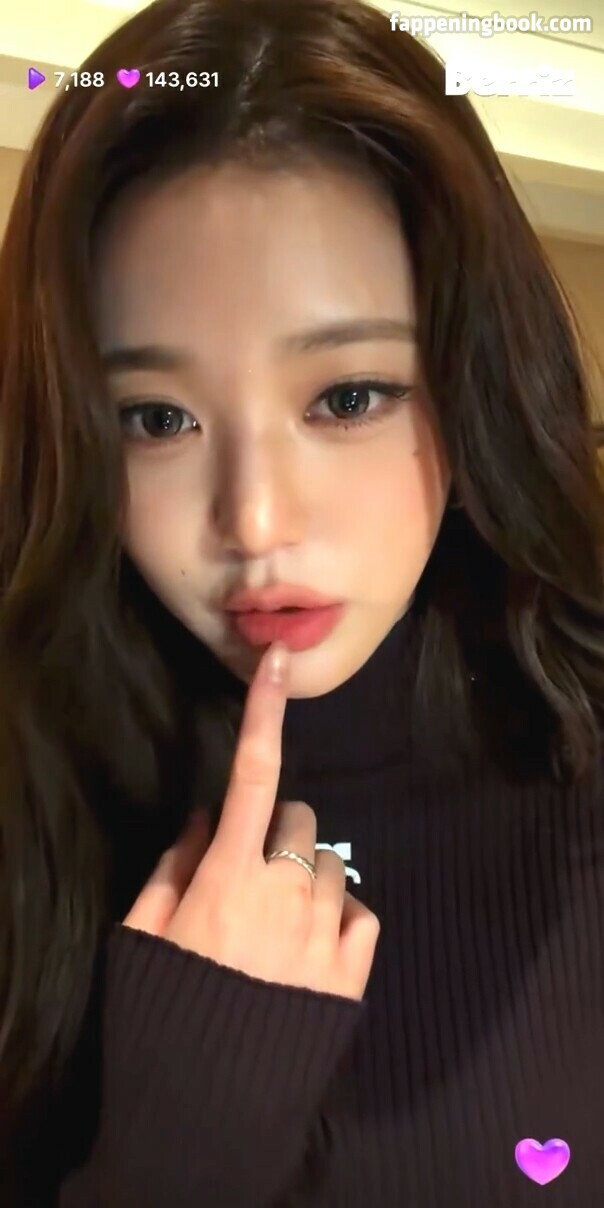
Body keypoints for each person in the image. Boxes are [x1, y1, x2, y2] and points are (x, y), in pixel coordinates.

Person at [0, 0, 603, 1203]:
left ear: (470, 383)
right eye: (155, 418)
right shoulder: (27, 781)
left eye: (348, 396)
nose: (257, 521)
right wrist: (178, 1151)